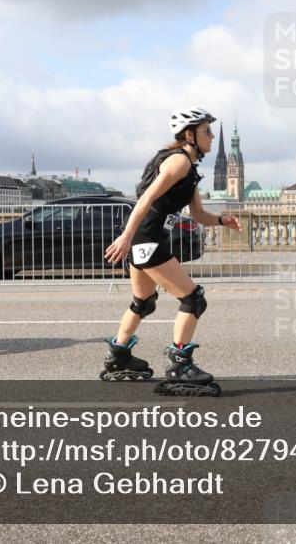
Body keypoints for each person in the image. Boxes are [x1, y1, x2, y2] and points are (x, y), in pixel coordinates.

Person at [102, 107, 242, 396]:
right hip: (147, 240)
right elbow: (145, 199)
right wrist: (126, 237)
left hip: (148, 240)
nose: (212, 136)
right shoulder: (178, 162)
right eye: (207, 131)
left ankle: (118, 355)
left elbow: (199, 214)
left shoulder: (189, 170)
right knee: (193, 298)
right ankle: (180, 363)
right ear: (190, 135)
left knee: (143, 301)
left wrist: (221, 220)